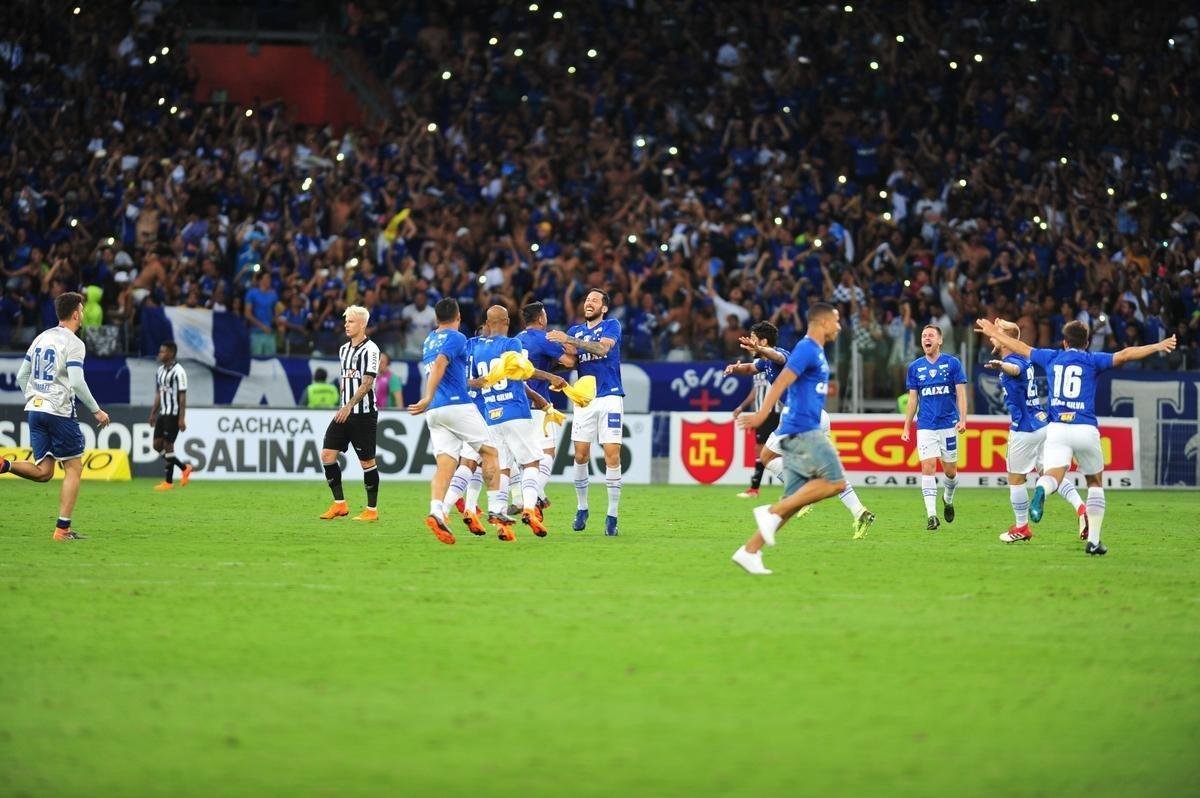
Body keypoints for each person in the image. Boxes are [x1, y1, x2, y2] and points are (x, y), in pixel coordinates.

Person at [976, 318, 1176, 555]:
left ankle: (1039, 493)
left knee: (1050, 476)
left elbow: (1022, 350)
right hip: (1084, 428)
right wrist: (1156, 346)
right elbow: (1125, 354)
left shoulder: (1051, 357)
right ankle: (1093, 540)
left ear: (1064, 341)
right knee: (1094, 483)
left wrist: (994, 333)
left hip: (1056, 428)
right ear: (1087, 342)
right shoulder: (1093, 360)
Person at [731, 303, 852, 574]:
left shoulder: (815, 350)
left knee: (794, 501)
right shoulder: (808, 348)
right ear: (822, 323)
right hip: (803, 428)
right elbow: (782, 380)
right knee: (836, 482)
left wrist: (760, 352)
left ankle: (749, 551)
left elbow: (772, 362)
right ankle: (768, 512)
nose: (839, 326)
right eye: (836, 320)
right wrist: (762, 414)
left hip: (799, 426)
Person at [1, 292, 110, 540]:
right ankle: (63, 529)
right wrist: (97, 410)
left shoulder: (41, 337)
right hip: (58, 411)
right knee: (73, 468)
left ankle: (4, 464)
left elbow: (21, 377)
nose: (82, 314)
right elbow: (77, 382)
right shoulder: (74, 343)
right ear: (75, 313)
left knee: (45, 472)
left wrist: (35, 397)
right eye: (82, 310)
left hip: (35, 409)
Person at [407, 298, 508, 544]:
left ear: (435, 318)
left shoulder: (429, 339)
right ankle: (495, 509)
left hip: (435, 412)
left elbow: (441, 368)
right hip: (456, 405)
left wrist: (431, 399)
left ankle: (437, 511)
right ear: (458, 316)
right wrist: (427, 395)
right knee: (490, 453)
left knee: (445, 465)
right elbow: (442, 363)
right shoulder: (457, 337)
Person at [468, 305, 568, 536]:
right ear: (504, 321)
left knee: (503, 469)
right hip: (515, 410)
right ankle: (530, 509)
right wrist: (550, 375)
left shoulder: (478, 348)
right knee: (531, 463)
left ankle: (501, 520)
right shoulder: (512, 344)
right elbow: (525, 371)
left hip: (492, 415)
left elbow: (476, 381)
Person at [983, 320, 1085, 543]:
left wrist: (1001, 366)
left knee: (1016, 479)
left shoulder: (1012, 361)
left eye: (996, 335)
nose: (992, 338)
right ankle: (1081, 509)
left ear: (1005, 340)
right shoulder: (1025, 358)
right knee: (1049, 474)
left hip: (1025, 429)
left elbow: (1014, 370)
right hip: (1042, 424)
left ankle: (1021, 527)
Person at [548, 289, 624, 536]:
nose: (589, 303)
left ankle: (612, 514)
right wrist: (546, 367)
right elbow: (569, 361)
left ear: (603, 308)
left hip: (610, 396)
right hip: (585, 399)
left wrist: (570, 341)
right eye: (587, 300)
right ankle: (582, 508)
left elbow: (602, 350)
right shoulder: (575, 331)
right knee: (580, 455)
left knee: (612, 455)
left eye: (595, 301)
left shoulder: (611, 325)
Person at [317, 305, 383, 523]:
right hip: (344, 411)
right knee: (327, 454)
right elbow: (347, 380)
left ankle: (371, 510)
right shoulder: (343, 350)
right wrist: (344, 404)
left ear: (362, 324)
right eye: (346, 321)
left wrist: (349, 405)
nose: (346, 324)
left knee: (367, 462)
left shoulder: (371, 349)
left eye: (351, 321)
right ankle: (340, 505)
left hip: (363, 415)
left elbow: (367, 383)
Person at [901, 325, 968, 530]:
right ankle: (931, 516)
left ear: (940, 340)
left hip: (948, 425)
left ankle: (948, 499)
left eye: (930, 335)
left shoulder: (952, 363)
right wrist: (906, 427)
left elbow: (961, 394)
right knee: (928, 467)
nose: (926, 338)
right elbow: (913, 400)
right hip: (926, 426)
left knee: (950, 472)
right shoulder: (915, 368)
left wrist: (963, 419)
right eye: (923, 336)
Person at [516, 301, 576, 512]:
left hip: (516, 404)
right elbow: (569, 361)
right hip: (538, 404)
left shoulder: (516, 340)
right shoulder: (543, 337)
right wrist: (569, 345)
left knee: (527, 458)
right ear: (541, 318)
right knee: (547, 453)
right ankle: (531, 498)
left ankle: (535, 496)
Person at [148, 341, 193, 490]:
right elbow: (158, 394)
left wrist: (181, 418)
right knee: (156, 445)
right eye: (160, 351)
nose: (160, 354)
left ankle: (168, 482)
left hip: (173, 414)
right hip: (163, 413)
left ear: (171, 353)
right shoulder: (160, 371)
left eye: (163, 352)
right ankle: (184, 468)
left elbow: (182, 396)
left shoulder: (179, 372)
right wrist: (153, 413)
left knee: (168, 446)